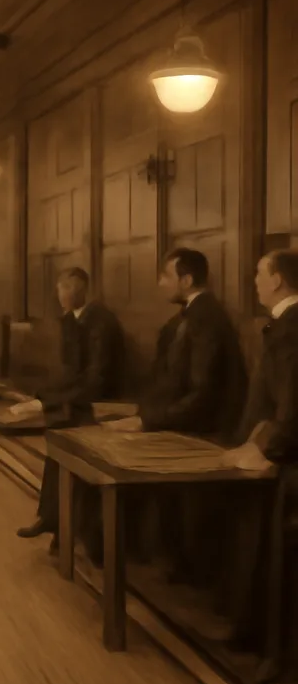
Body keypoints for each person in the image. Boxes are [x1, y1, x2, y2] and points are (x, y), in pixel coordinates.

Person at [107, 247, 248, 582]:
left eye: (165, 276)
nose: (160, 282)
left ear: (186, 280)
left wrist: (149, 421)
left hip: (207, 430)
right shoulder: (191, 315)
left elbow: (203, 393)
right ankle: (142, 554)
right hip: (187, 421)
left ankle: (172, 565)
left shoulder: (205, 319)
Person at [222, 249, 298, 682]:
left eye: (259, 274)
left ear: (279, 281)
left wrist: (266, 451)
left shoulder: (292, 329)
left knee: (277, 558)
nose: (253, 281)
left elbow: (293, 409)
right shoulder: (283, 325)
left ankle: (276, 655)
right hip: (279, 454)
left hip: (289, 467)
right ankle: (252, 635)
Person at [15, 268, 125, 551]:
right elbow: (67, 373)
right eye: (59, 288)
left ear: (81, 290)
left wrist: (46, 402)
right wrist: (42, 397)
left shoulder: (101, 322)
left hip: (100, 404)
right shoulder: (70, 320)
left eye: (65, 288)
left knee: (66, 437)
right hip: (79, 399)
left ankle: (65, 529)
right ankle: (53, 522)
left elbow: (97, 378)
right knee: (57, 441)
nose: (60, 294)